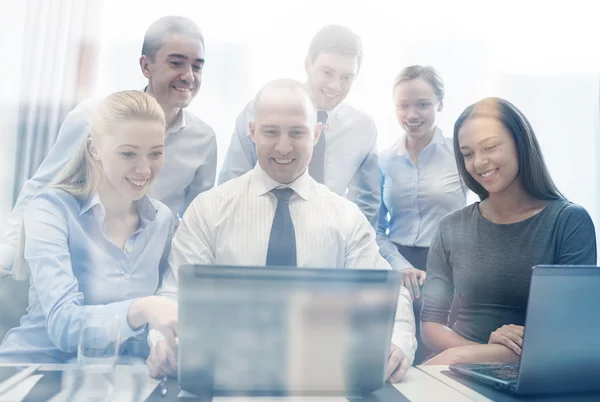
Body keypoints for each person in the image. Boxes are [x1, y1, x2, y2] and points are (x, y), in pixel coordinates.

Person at [147, 79, 417, 383]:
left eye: (297, 132)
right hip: (225, 377)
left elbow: (390, 295)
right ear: (252, 132)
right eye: (271, 131)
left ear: (316, 134)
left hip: (320, 378)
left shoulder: (346, 218)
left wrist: (397, 344)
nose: (284, 147)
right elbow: (173, 295)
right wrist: (162, 343)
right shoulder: (208, 210)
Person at [0, 16, 217, 276]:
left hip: (145, 278)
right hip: (79, 268)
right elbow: (40, 190)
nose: (189, 76)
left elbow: (194, 228)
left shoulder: (204, 140)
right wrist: (6, 257)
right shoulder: (92, 116)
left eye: (197, 66)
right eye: (176, 63)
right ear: (146, 66)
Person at [0, 91, 178, 363]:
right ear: (94, 149)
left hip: (117, 378)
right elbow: (64, 326)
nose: (144, 169)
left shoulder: (162, 220)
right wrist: (143, 308)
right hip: (35, 370)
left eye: (155, 153)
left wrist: (164, 346)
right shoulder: (50, 210)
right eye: (128, 153)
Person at [420, 97, 597, 365]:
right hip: (457, 367)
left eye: (489, 147)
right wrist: (475, 353)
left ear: (520, 143)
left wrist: (467, 355)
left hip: (533, 371)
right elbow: (431, 327)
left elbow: (569, 332)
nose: (479, 163)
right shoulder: (450, 227)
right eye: (468, 154)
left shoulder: (569, 221)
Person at [218, 25, 380, 228]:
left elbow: (367, 205)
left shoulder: (362, 128)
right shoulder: (262, 110)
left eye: (346, 77)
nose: (335, 86)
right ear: (307, 65)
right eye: (327, 72)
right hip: (257, 230)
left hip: (329, 239)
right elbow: (230, 183)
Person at [376, 65, 467, 364]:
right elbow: (376, 227)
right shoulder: (384, 160)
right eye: (403, 105)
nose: (411, 114)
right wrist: (399, 266)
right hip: (398, 266)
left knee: (441, 358)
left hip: (451, 267)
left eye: (423, 104)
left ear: (440, 103)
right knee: (396, 352)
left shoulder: (461, 154)